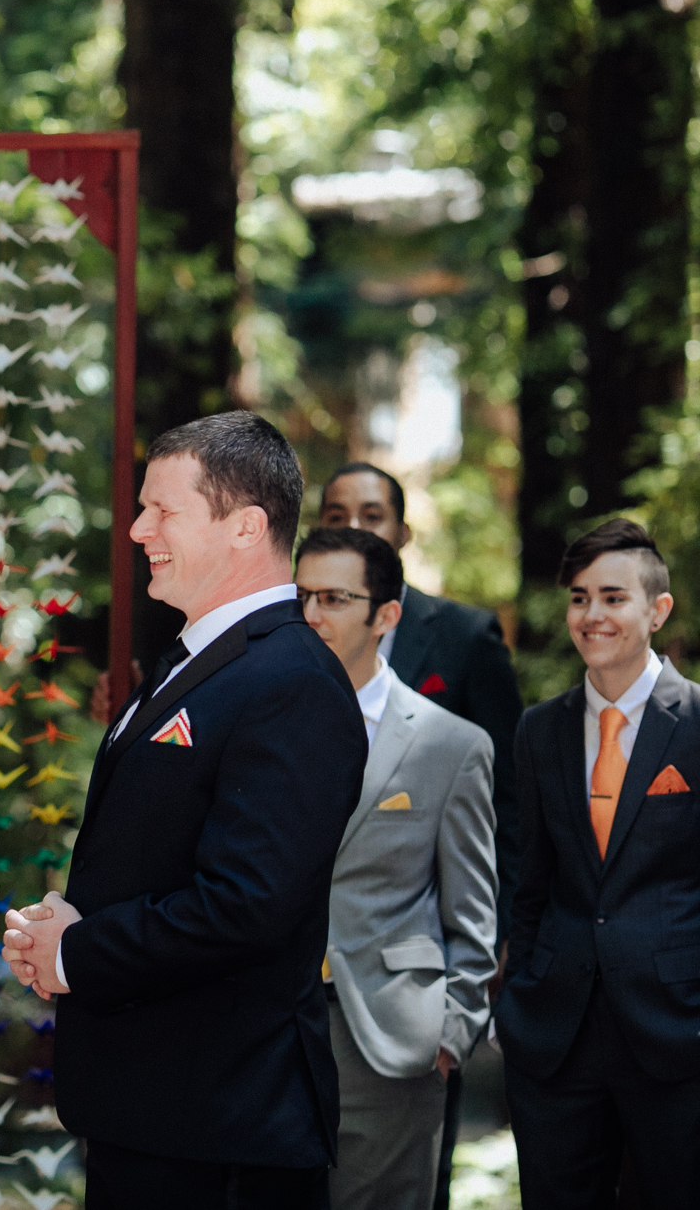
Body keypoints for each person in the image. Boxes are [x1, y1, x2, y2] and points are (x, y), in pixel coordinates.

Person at [1, 411, 368, 1209]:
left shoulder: (292, 682)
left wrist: (80, 952)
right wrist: (72, 916)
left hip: (224, 1127)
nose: (137, 529)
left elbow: (246, 904)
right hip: (161, 1114)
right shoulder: (199, 657)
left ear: (246, 527)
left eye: (163, 509)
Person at [316, 461, 523, 1210]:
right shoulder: (283, 665)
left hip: (404, 1006)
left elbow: (499, 814)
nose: (353, 523)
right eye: (336, 511)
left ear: (401, 530)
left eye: (371, 512)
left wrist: (459, 1015)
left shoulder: (462, 639)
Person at [498, 519, 700, 1208]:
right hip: (556, 1033)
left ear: (657, 608)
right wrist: (517, 998)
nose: (592, 615)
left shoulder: (698, 722)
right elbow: (531, 881)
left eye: (613, 597)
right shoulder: (538, 729)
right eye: (580, 597)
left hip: (678, 1030)